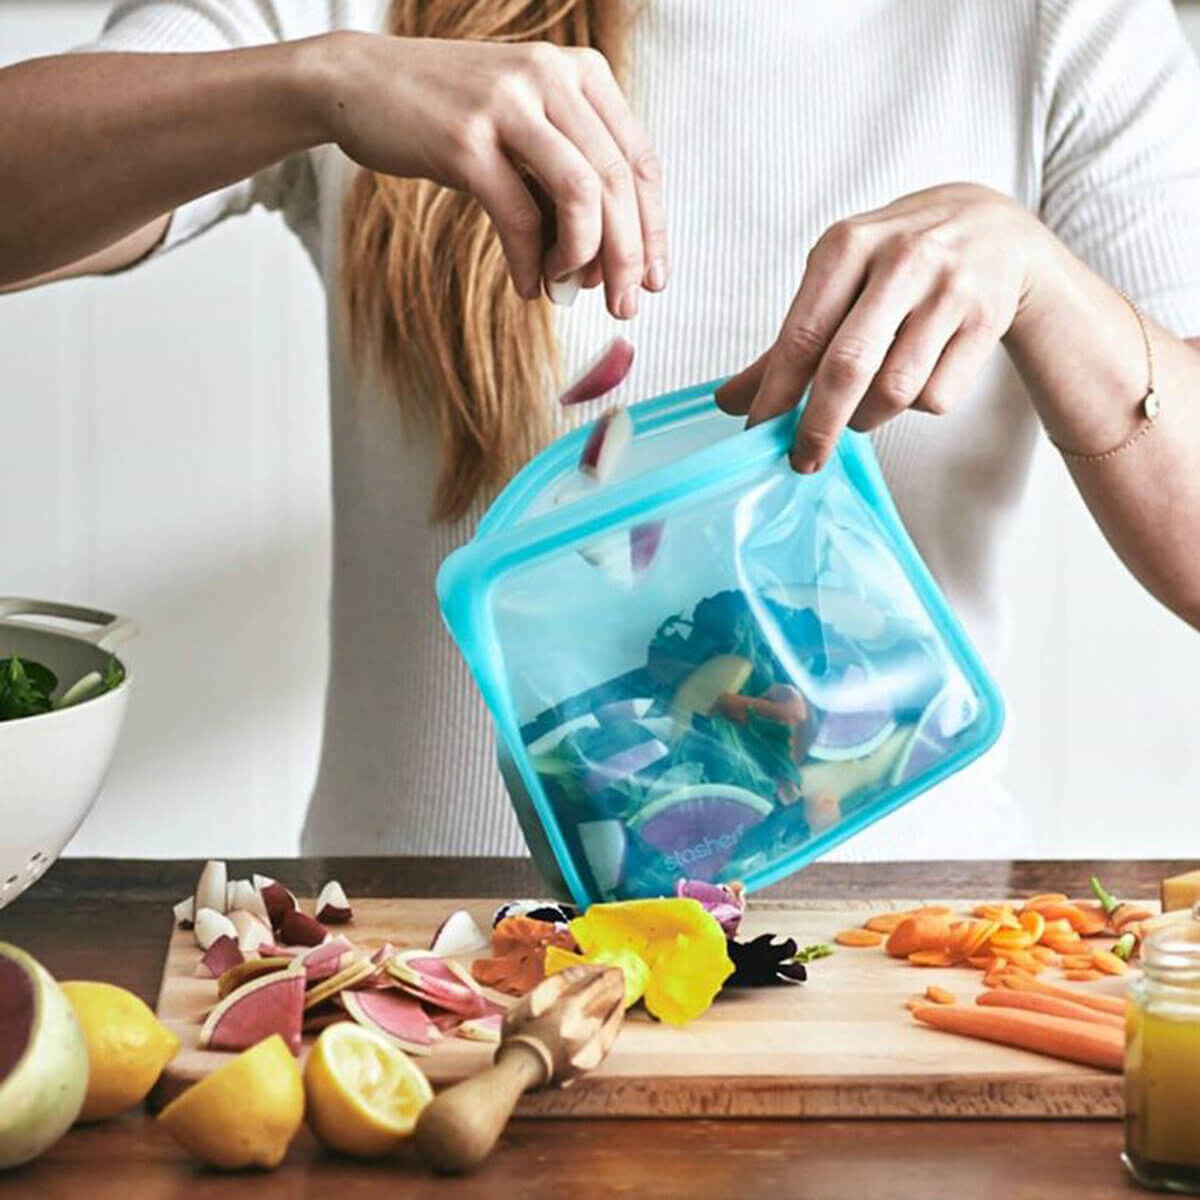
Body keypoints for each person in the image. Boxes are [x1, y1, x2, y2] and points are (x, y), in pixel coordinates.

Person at [3, 0, 1199, 862]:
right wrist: (321, 79)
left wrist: (1050, 286)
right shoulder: (366, 16)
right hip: (432, 977)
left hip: (904, 968)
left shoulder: (1062, 24)